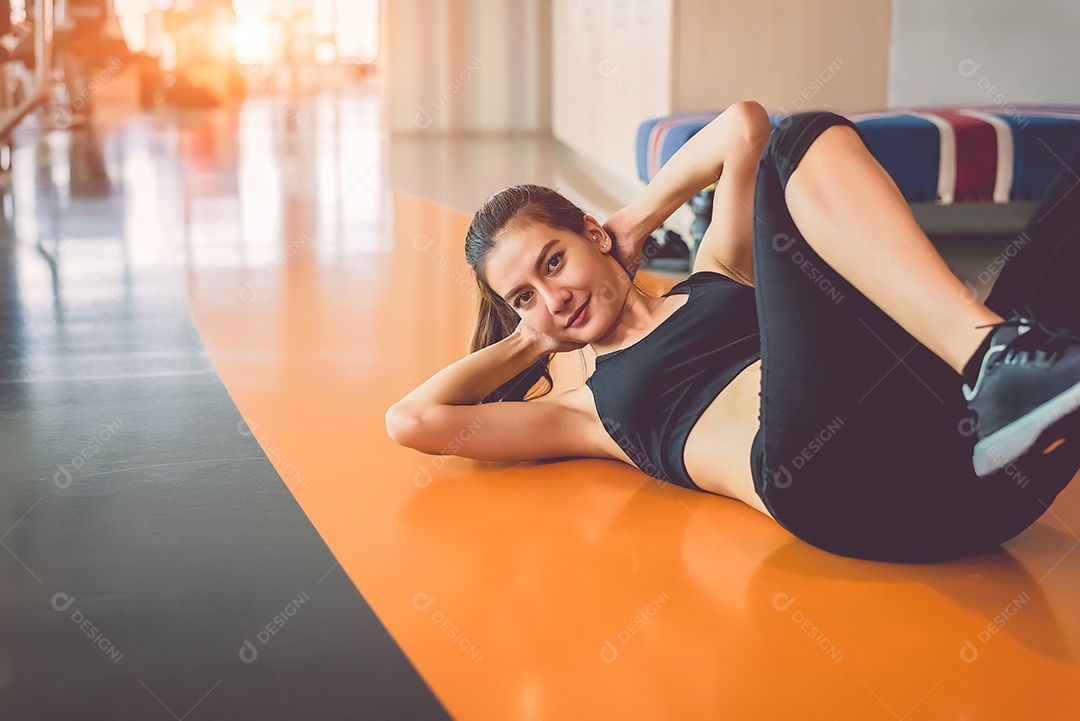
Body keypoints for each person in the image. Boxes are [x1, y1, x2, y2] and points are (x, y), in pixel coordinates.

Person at [386, 102, 1080, 563]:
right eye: (524, 293)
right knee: (796, 147)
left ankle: (1001, 376)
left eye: (555, 259)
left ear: (597, 233)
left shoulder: (718, 272)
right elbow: (413, 419)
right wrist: (533, 331)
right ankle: (994, 363)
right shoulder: (583, 413)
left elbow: (745, 125)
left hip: (986, 473)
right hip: (843, 483)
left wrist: (645, 211)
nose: (552, 293)